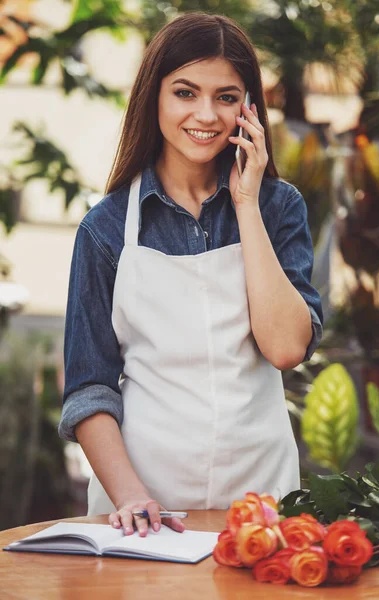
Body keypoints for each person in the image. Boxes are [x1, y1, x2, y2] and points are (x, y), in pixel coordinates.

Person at [58, 12, 323, 539]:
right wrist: (130, 494)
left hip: (261, 498)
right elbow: (89, 388)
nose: (206, 114)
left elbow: (286, 347)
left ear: (249, 108)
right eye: (185, 92)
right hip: (143, 509)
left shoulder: (278, 207)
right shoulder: (105, 228)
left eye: (227, 97)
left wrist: (246, 202)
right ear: (153, 96)